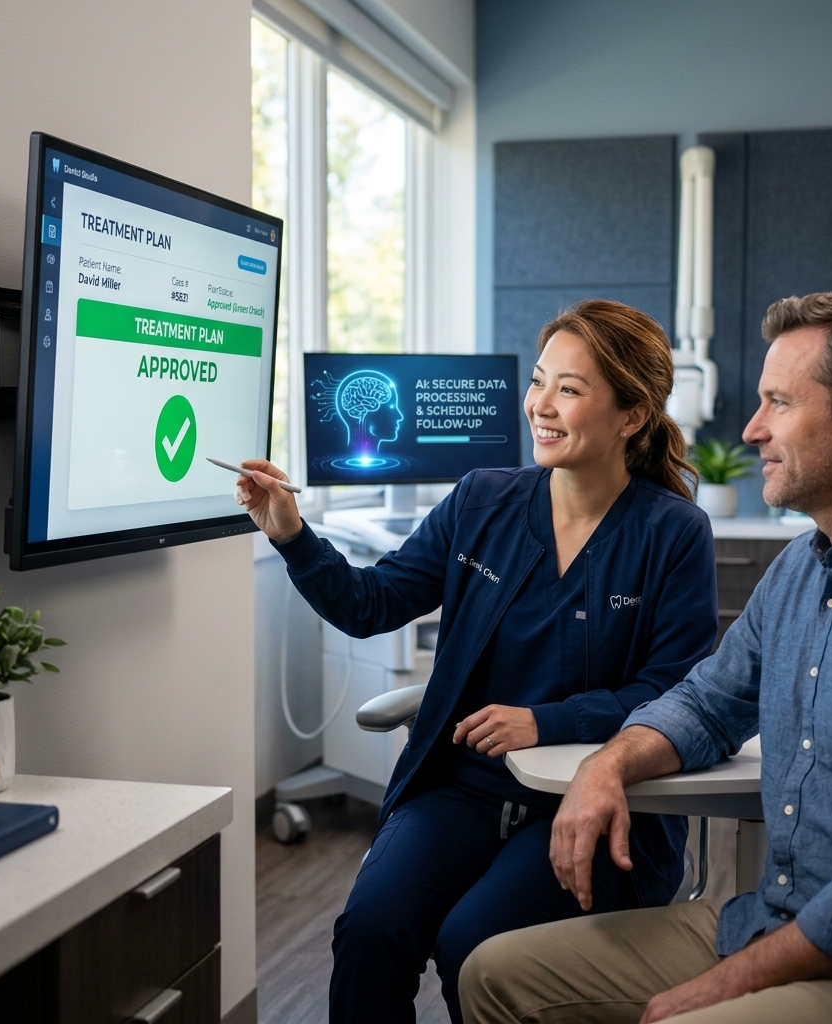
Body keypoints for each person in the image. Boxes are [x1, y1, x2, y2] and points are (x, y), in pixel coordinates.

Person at [459, 289, 832, 1024]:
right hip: (769, 920)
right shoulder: (802, 570)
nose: (751, 430)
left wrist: (727, 984)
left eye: (778, 403)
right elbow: (705, 703)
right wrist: (606, 765)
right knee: (492, 972)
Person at [237, 300, 719, 1023]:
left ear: (632, 416)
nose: (541, 406)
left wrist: (543, 722)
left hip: (587, 799)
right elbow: (372, 604)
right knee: (370, 931)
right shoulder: (481, 501)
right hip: (462, 788)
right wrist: (292, 536)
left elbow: (672, 692)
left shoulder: (673, 533)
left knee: (474, 944)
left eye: (570, 388)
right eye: (539, 380)